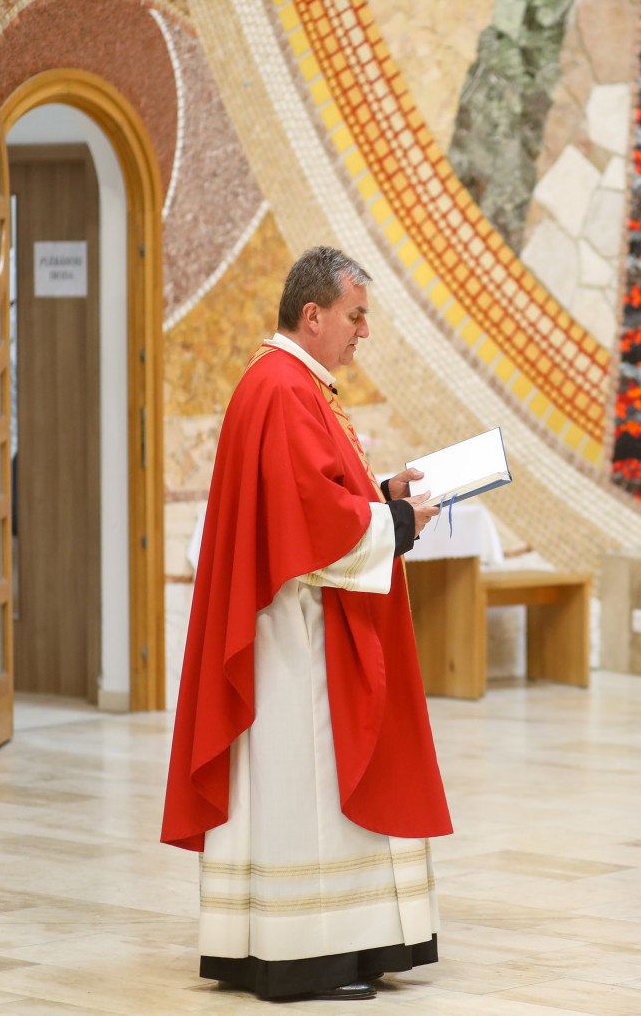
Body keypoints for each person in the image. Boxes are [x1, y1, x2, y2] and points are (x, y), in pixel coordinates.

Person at [162, 246, 452, 1002]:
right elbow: (308, 520)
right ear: (313, 314)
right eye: (356, 316)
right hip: (296, 642)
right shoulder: (284, 387)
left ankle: (320, 944)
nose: (364, 331)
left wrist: (382, 494)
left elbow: (314, 492)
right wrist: (397, 522)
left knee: (308, 786)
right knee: (312, 785)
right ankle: (307, 955)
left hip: (297, 627)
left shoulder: (288, 382)